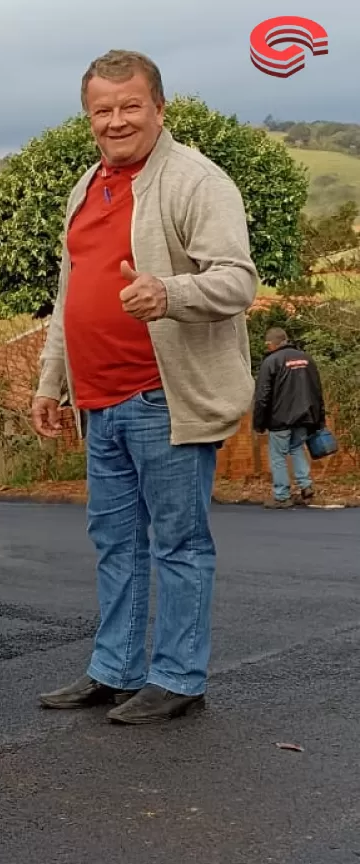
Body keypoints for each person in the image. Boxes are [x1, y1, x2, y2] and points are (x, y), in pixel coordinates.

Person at [32, 50, 257, 725]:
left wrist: (170, 292)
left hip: (164, 397)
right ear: (88, 116)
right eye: (103, 109)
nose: (117, 120)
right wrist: (53, 381)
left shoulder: (196, 181)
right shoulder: (87, 184)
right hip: (99, 401)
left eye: (131, 106)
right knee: (116, 542)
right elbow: (71, 292)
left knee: (179, 543)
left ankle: (179, 676)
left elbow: (238, 280)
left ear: (160, 107)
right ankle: (115, 668)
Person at [252, 327, 325, 509]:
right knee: (297, 448)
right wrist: (319, 418)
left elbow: (262, 396)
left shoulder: (271, 361)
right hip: (304, 417)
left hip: (280, 419)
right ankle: (306, 486)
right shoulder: (307, 359)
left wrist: (259, 423)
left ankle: (282, 496)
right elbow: (316, 390)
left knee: (278, 456)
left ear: (271, 344)